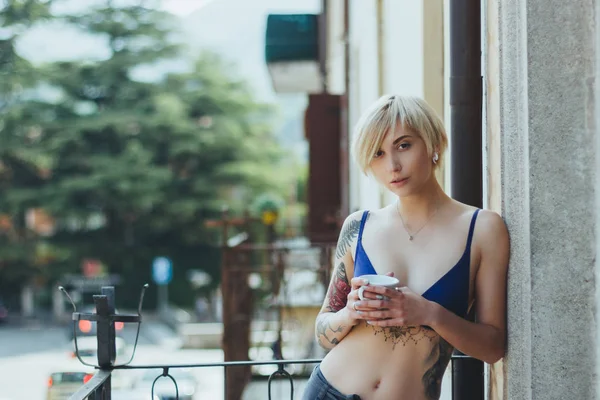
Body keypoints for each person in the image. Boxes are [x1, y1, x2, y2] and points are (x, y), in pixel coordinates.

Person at [302, 95, 509, 400]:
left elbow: (493, 347)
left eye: (404, 145)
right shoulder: (358, 227)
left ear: (432, 143)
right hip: (328, 391)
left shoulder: (483, 229)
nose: (393, 166)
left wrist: (429, 313)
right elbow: (323, 332)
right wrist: (350, 312)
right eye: (378, 153)